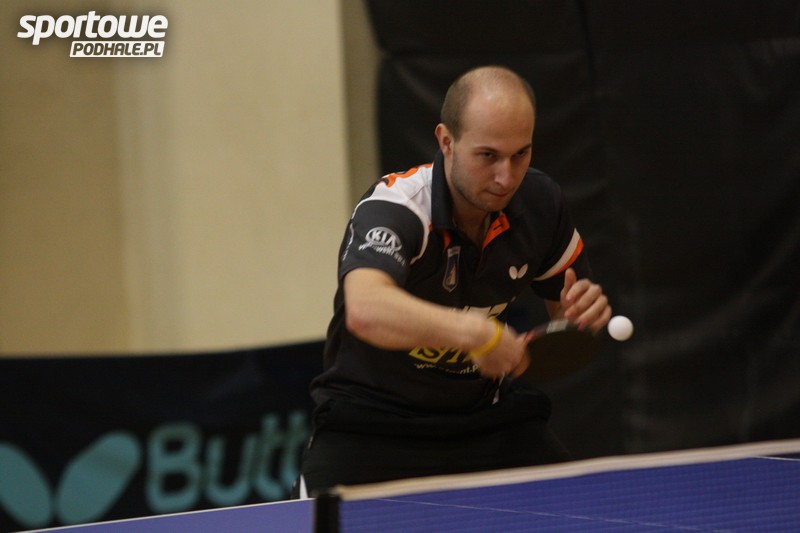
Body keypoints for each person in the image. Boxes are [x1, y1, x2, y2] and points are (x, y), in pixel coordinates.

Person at [297, 65, 611, 497]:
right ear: (446, 141)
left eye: (521, 154)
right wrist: (476, 334)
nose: (506, 177)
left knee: (588, 512)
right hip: (370, 426)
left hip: (484, 422)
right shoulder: (398, 208)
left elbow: (564, 314)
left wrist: (577, 313)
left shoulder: (540, 204)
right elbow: (365, 309)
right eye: (488, 156)